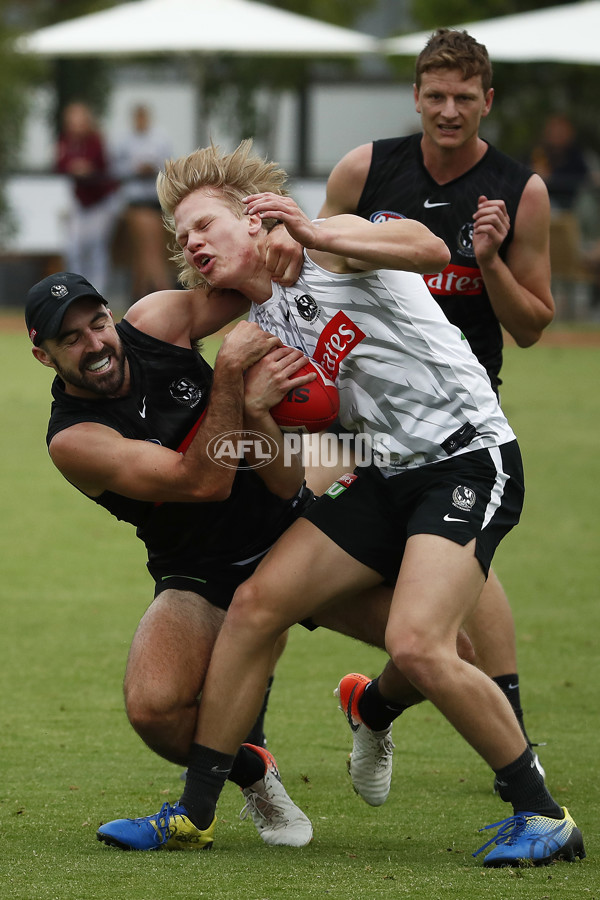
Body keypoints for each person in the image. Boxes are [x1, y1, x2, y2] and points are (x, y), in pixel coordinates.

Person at [104, 139, 584, 867]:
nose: (190, 243)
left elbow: (426, 247)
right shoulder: (257, 334)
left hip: (467, 457)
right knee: (259, 601)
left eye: (204, 224)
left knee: (419, 644)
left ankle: (542, 814)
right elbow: (287, 477)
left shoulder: (335, 243)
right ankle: (192, 814)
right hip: (382, 474)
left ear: (253, 213)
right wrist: (260, 416)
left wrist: (318, 230)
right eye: (181, 239)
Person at [317, 28, 555, 795]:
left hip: (457, 423)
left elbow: (532, 323)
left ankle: (494, 734)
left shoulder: (522, 191)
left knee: (460, 578)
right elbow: (315, 277)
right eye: (435, 96)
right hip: (363, 424)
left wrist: (485, 262)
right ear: (415, 97)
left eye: (464, 97)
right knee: (287, 581)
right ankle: (252, 755)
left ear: (487, 102)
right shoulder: (365, 168)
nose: (449, 110)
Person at [25, 269, 319, 850]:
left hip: (292, 531)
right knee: (154, 710)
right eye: (72, 339)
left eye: (98, 322)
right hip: (198, 571)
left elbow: (259, 285)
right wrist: (231, 375)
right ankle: (252, 769)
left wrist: (262, 239)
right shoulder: (74, 440)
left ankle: (375, 704)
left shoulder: (156, 323)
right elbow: (203, 482)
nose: (96, 344)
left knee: (428, 651)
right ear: (44, 356)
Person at [56, 102, 120, 295]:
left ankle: (97, 293)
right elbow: (59, 164)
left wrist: (85, 168)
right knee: (73, 247)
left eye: (79, 120)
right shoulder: (65, 141)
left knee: (96, 247)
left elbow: (102, 164)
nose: (76, 125)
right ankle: (76, 291)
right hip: (81, 202)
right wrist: (73, 167)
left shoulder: (96, 140)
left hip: (101, 200)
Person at [112, 104, 175, 298]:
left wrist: (152, 167)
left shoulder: (160, 138)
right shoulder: (124, 141)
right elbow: (114, 169)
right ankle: (160, 289)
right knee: (146, 249)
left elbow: (170, 165)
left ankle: (145, 293)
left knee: (148, 250)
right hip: (136, 201)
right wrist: (134, 169)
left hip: (155, 201)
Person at [530, 113, 590, 317]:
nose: (556, 134)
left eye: (561, 129)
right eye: (553, 129)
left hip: (572, 220)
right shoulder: (539, 152)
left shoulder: (577, 157)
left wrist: (550, 178)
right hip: (543, 221)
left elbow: (583, 184)